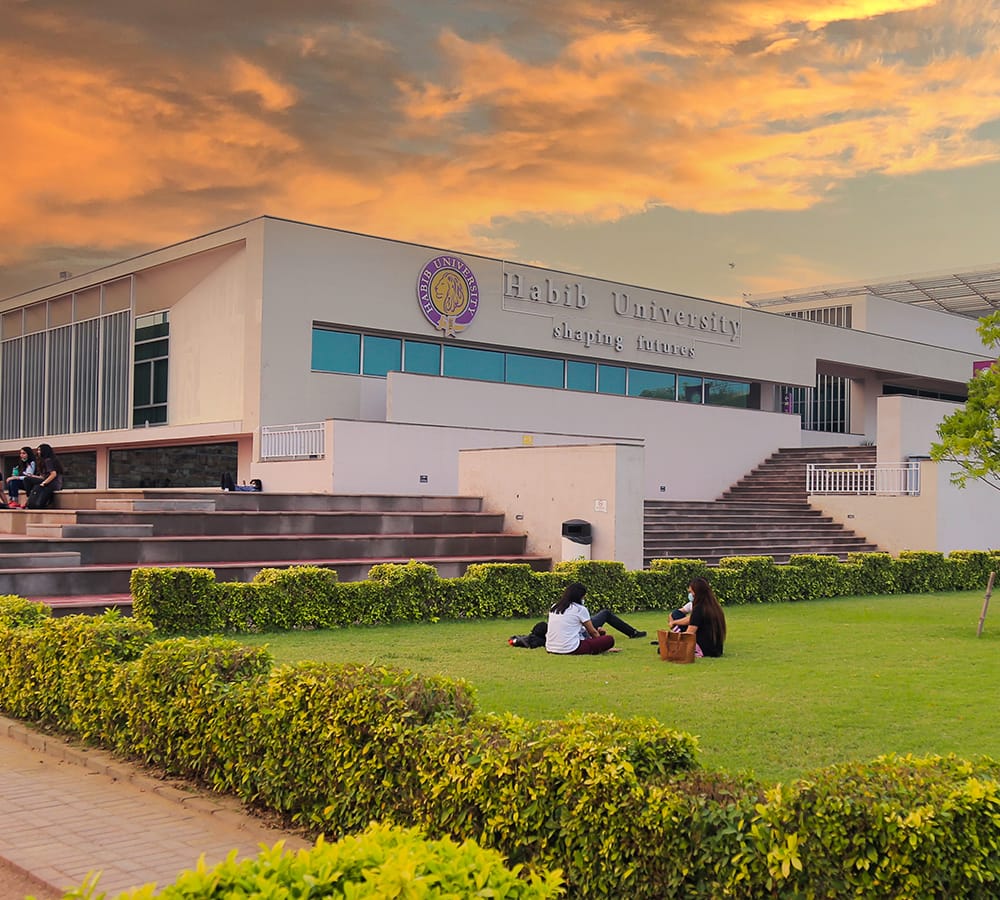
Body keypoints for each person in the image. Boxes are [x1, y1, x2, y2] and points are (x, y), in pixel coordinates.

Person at [545, 582, 646, 655]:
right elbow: (592, 632)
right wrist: (601, 643)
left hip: (551, 647)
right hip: (570, 648)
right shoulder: (579, 609)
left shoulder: (555, 606)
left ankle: (631, 633)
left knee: (601, 628)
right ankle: (633, 633)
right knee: (609, 639)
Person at [671, 577, 726, 657]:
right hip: (716, 649)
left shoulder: (699, 609)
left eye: (691, 592)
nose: (690, 594)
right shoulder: (714, 607)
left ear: (696, 592)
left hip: (705, 649)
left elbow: (689, 634)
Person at [20, 444, 64, 510]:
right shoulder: (46, 461)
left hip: (52, 483)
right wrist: (33, 476)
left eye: (39, 450)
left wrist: (44, 483)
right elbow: (43, 477)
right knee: (28, 479)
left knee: (27, 480)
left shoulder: (48, 460)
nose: (38, 452)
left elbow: (53, 474)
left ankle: (29, 498)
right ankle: (30, 499)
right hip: (50, 482)